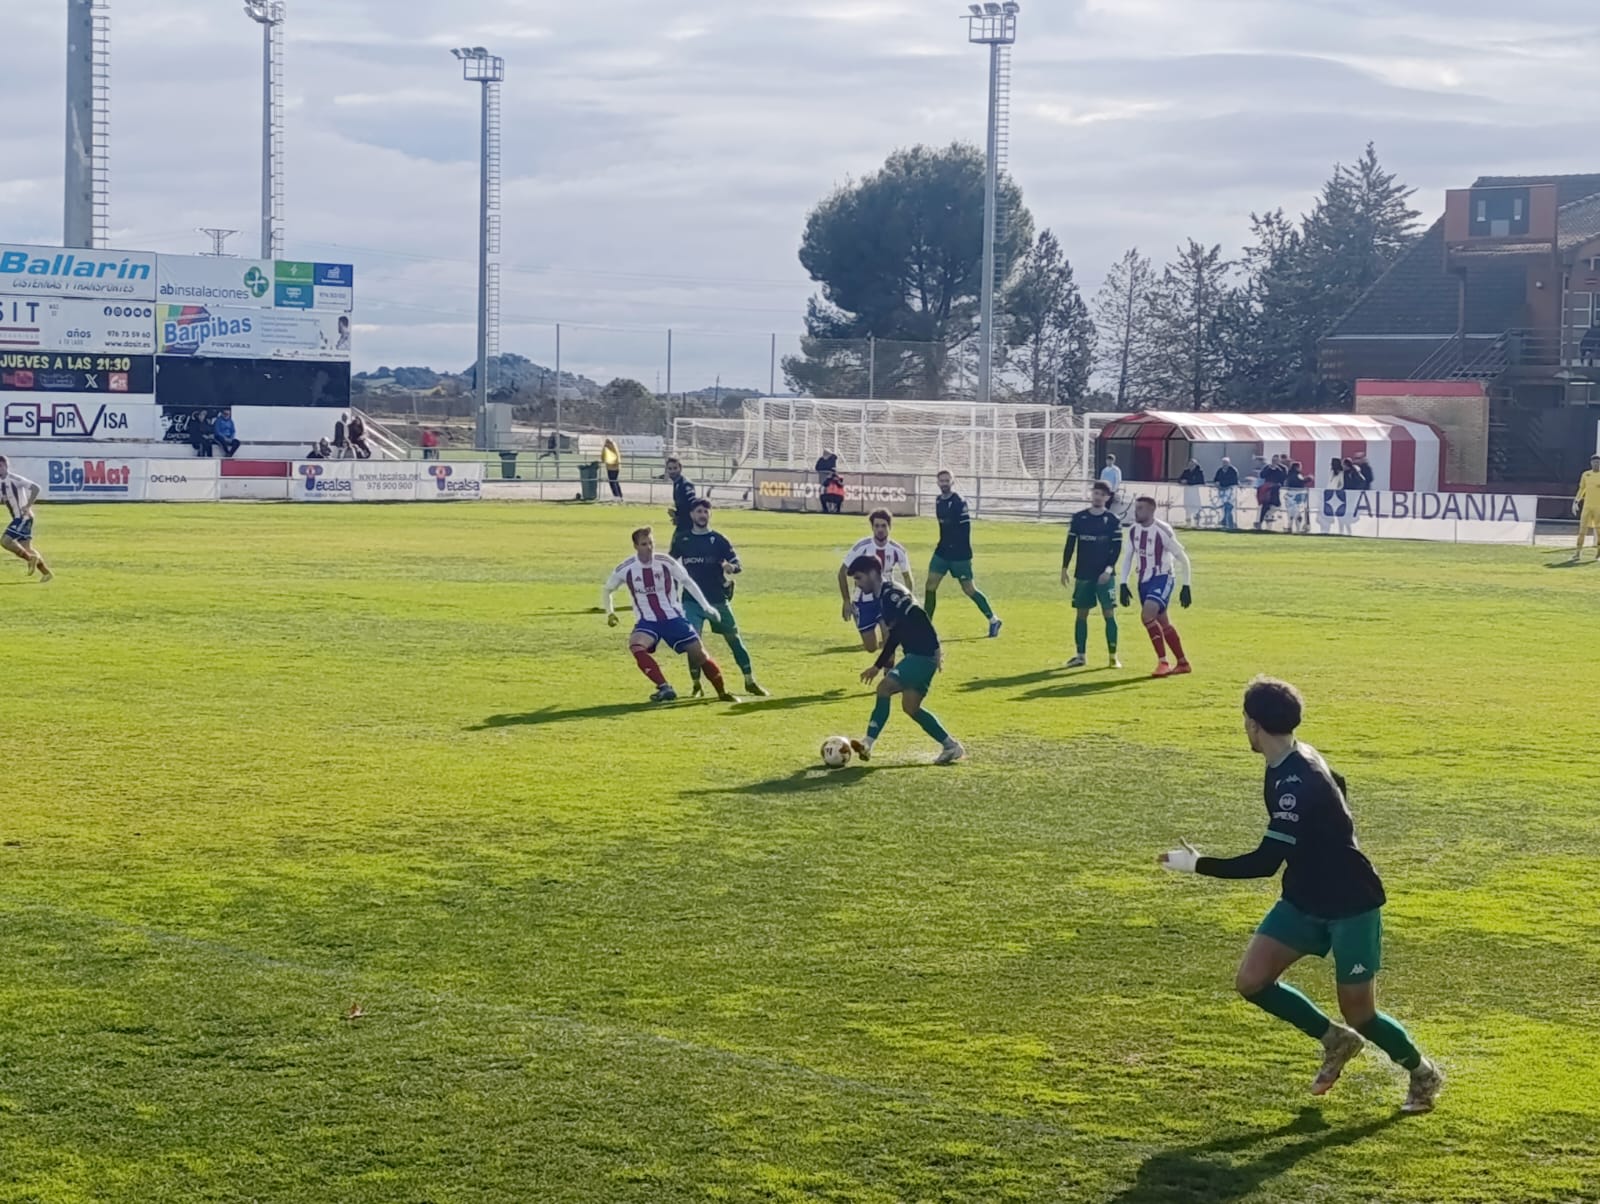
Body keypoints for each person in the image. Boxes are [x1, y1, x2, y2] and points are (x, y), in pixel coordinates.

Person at [1158, 677, 1444, 1114]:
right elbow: (1339, 784)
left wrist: (1196, 864)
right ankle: (1336, 1042)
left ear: (1253, 725)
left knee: (1361, 1013)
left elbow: (1264, 862)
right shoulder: (1295, 755)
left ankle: (1422, 1073)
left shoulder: (1296, 780)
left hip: (1351, 903)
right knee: (1252, 982)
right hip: (1304, 897)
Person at [846, 554, 965, 766]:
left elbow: (918, 615)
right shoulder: (887, 594)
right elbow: (897, 634)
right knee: (911, 707)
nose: (857, 583)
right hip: (919, 654)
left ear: (873, 574)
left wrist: (936, 647)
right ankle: (951, 746)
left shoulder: (890, 595)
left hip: (922, 654)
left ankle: (867, 743)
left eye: (859, 578)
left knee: (884, 688)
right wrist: (878, 665)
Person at [601, 526, 737, 704]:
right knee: (636, 645)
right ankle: (664, 687)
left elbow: (687, 582)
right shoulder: (626, 568)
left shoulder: (665, 561)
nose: (649, 547)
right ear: (635, 546)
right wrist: (610, 613)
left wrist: (706, 606)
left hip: (673, 618)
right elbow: (607, 589)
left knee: (700, 655)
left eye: (651, 543)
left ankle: (722, 692)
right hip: (648, 621)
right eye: (644, 544)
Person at [671, 499, 768, 697]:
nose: (702, 515)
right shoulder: (682, 540)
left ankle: (750, 680)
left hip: (717, 600)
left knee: (734, 639)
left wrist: (731, 567)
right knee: (693, 643)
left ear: (710, 515)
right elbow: (669, 566)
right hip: (692, 601)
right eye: (699, 512)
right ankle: (696, 684)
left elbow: (737, 563)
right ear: (692, 515)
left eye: (706, 512)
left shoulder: (719, 539)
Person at [1118, 495, 1193, 678]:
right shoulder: (1133, 530)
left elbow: (1183, 558)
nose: (1137, 511)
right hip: (1143, 580)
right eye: (1136, 508)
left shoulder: (1162, 530)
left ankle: (1163, 662)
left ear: (1152, 510)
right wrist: (1123, 583)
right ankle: (1183, 662)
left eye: (1141, 508)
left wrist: (1186, 586)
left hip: (1162, 577)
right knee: (1163, 623)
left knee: (1147, 615)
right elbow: (1128, 557)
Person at [926, 470, 1001, 638]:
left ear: (952, 482)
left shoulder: (959, 502)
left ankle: (993, 619)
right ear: (937, 483)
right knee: (930, 585)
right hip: (942, 551)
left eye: (947, 480)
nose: (944, 483)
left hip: (959, 554)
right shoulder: (938, 501)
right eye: (941, 481)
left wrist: (959, 553)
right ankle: (926, 625)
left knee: (969, 589)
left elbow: (965, 531)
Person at [1061, 480, 1124, 669]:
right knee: (1081, 614)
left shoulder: (1113, 520)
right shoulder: (1079, 518)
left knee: (1108, 613)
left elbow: (1116, 549)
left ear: (1107, 497)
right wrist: (1064, 568)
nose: (1098, 497)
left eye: (1102, 494)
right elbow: (1070, 544)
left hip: (1104, 575)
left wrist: (1108, 570)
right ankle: (1080, 656)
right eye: (1095, 493)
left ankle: (1113, 657)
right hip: (1083, 573)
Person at [839, 509, 915, 653]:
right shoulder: (862, 547)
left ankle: (888, 670)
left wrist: (908, 601)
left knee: (888, 635)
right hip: (863, 601)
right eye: (877, 526)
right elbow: (841, 572)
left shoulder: (897, 550)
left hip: (885, 599)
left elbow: (907, 577)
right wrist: (846, 601)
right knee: (871, 648)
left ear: (889, 527)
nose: (880, 529)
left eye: (884, 526)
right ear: (872, 527)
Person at [0, 458, 52, 583]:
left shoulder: (15, 479)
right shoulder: (2, 483)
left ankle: (30, 559)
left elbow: (36, 488)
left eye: (1, 466)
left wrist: (28, 505)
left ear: (6, 466)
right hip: (21, 517)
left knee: (5, 541)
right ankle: (46, 573)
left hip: (23, 517)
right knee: (27, 548)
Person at [1572, 453, 1600, 562]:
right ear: (1591, 463)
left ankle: (1598, 553)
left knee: (1599, 531)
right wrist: (1576, 501)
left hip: (1599, 508)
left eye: (1598, 462)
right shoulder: (1586, 474)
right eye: (1594, 462)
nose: (1596, 464)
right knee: (1582, 530)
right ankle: (1577, 553)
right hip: (1587, 506)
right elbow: (1582, 489)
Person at [664, 456, 697, 535]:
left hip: (689, 525)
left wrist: (679, 517)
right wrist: (676, 514)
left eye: (675, 468)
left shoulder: (685, 484)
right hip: (683, 523)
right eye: (670, 468)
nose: (672, 471)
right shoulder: (677, 483)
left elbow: (692, 503)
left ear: (680, 468)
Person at [1256, 456, 1286, 531]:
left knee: (1277, 505)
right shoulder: (1267, 467)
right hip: (1267, 490)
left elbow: (1283, 477)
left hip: (1276, 490)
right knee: (1265, 506)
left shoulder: (1282, 468)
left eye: (1276, 460)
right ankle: (1260, 522)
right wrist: (1270, 469)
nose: (1274, 462)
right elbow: (1262, 475)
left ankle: (1283, 525)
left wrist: (1277, 469)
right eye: (1273, 460)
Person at [1213, 458, 1240, 532]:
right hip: (1222, 490)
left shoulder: (1233, 471)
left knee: (1229, 507)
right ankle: (1225, 522)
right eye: (1223, 462)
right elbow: (1216, 480)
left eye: (1226, 463)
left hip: (1230, 490)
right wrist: (1218, 485)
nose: (1225, 464)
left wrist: (1225, 488)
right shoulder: (1219, 471)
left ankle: (1230, 524)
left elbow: (1234, 482)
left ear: (1229, 463)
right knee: (1225, 507)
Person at [1284, 460, 1311, 534]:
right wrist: (1308, 479)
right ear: (1296, 467)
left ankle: (1289, 527)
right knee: (1298, 514)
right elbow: (1299, 482)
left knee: (1291, 513)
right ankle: (1298, 529)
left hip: (1289, 496)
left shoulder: (1289, 475)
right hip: (1296, 496)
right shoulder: (1296, 475)